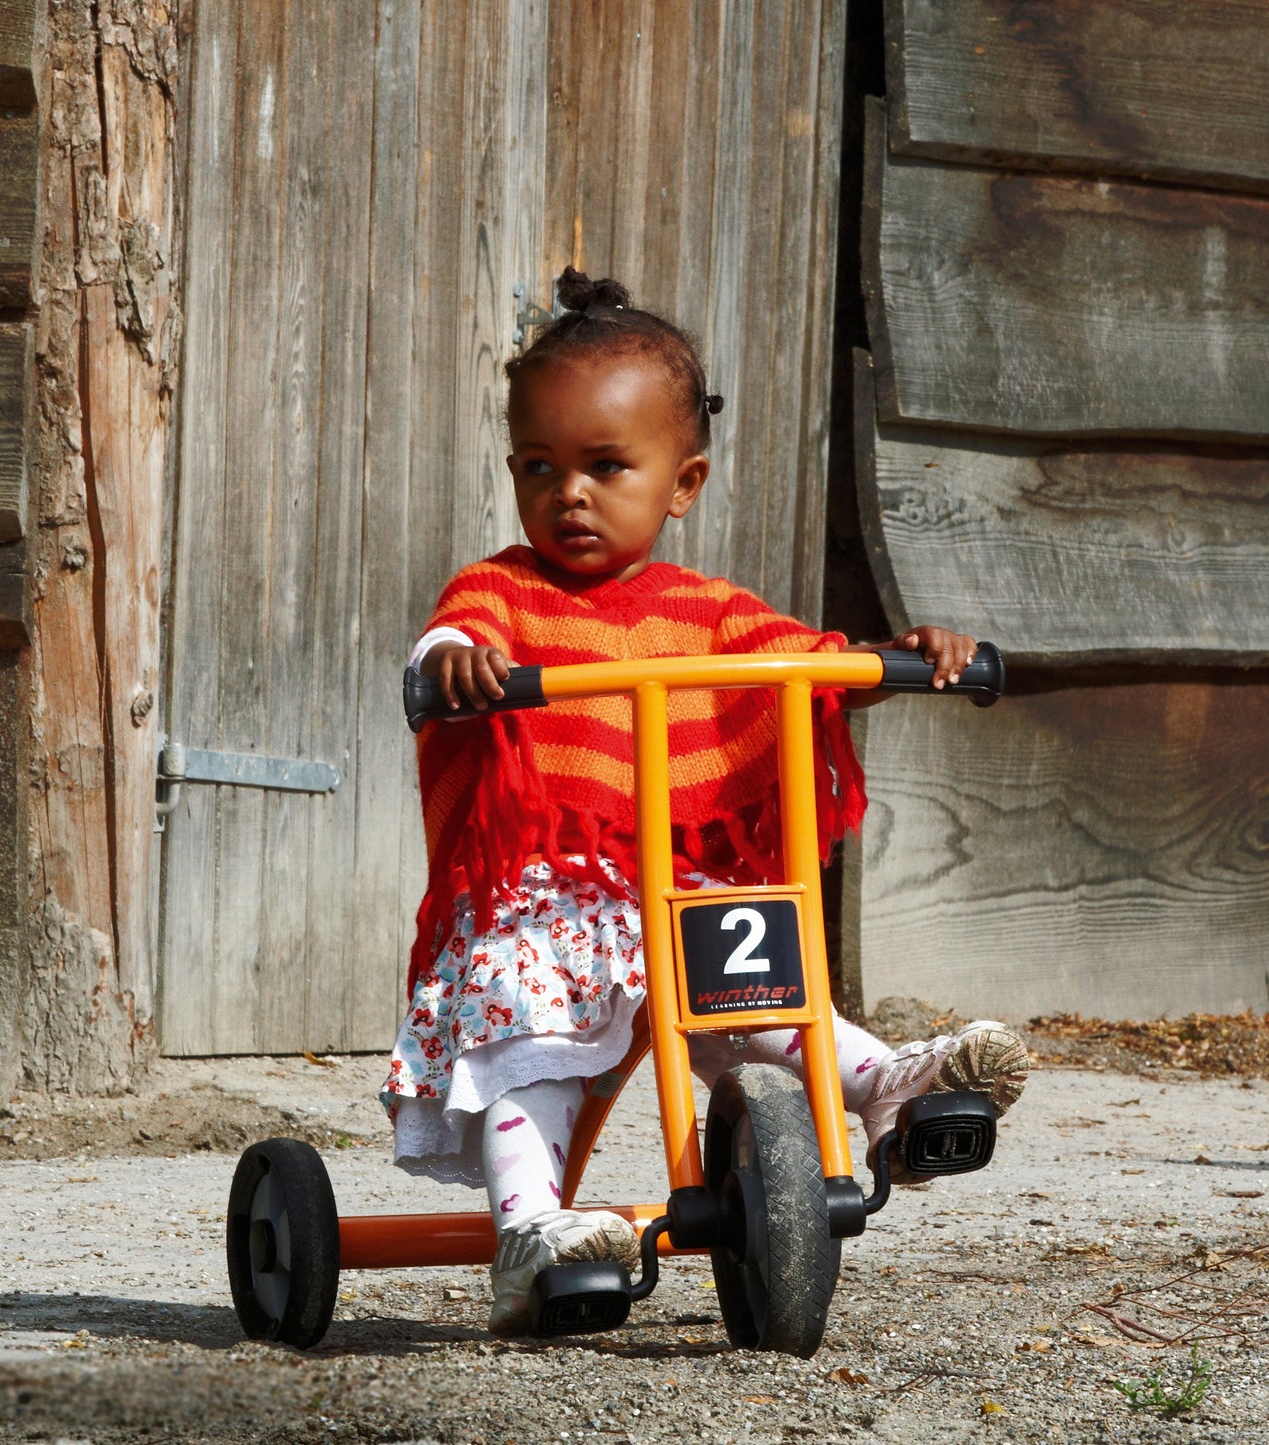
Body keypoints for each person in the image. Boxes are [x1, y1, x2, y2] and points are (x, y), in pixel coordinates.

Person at [380, 267, 1027, 1335]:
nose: (568, 493)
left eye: (603, 466)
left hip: (672, 889)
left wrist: (897, 656)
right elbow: (454, 634)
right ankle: (531, 1225)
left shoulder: (708, 611)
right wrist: (455, 662)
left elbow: (806, 662)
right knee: (533, 1043)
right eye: (539, 468)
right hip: (551, 901)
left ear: (681, 483)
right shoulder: (502, 587)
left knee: (756, 985)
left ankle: (880, 1085)